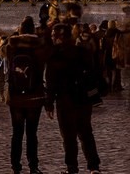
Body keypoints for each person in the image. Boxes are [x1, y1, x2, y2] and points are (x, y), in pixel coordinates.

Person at [44, 23, 102, 174]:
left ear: (58, 37)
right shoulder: (82, 52)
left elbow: (51, 82)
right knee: (86, 133)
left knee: (69, 137)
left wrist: (49, 104)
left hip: (65, 100)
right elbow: (93, 74)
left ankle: (72, 167)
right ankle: (94, 166)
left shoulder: (54, 56)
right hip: (83, 99)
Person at [4, 17, 48, 174]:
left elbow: (9, 63)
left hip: (15, 95)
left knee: (16, 133)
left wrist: (16, 35)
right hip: (35, 95)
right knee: (32, 133)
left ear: (20, 29)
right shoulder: (40, 46)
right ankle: (33, 166)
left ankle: (16, 166)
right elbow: (43, 67)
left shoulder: (12, 45)